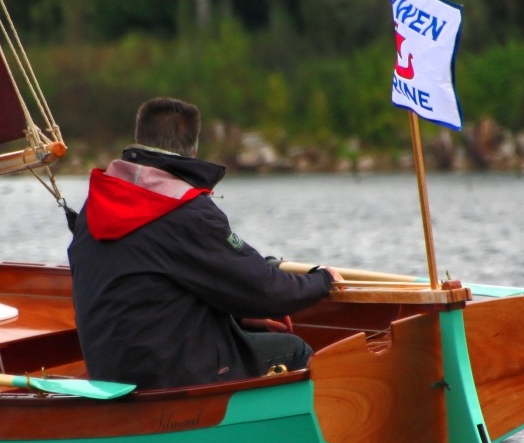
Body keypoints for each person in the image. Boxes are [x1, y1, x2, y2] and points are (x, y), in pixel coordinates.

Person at [67, 97, 340, 390]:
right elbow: (264, 289)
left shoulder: (95, 205)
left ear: (139, 140)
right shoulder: (185, 212)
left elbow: (156, 291)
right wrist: (322, 280)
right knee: (294, 350)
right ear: (194, 150)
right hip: (166, 378)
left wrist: (238, 317)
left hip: (111, 373)